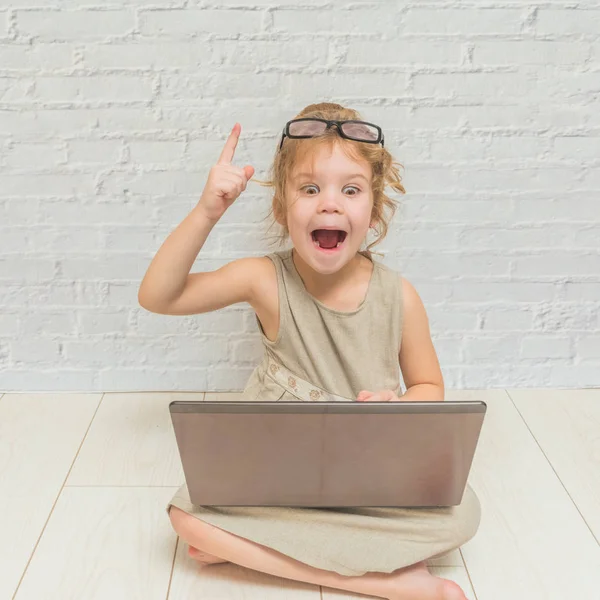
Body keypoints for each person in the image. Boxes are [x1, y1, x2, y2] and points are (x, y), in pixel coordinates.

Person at [138, 102, 481, 600]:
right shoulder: (264, 278)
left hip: (367, 471)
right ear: (282, 207)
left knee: (462, 512)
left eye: (351, 189)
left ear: (373, 206)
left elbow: (430, 386)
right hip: (278, 468)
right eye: (310, 188)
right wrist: (207, 210)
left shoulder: (398, 295)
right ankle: (382, 580)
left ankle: (256, 547)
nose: (330, 204)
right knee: (185, 518)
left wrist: (399, 409)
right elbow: (158, 296)